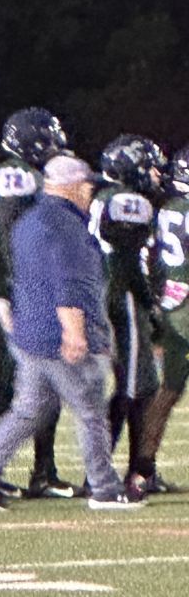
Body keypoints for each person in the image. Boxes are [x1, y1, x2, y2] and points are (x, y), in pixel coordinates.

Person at [0, 153, 145, 512]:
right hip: (59, 335)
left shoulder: (28, 221)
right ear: (72, 186)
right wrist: (74, 330)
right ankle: (105, 489)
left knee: (28, 410)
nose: (91, 191)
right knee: (91, 412)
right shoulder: (66, 225)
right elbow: (67, 281)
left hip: (29, 335)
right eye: (87, 185)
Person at [0, 108, 76, 498]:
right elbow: (13, 234)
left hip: (20, 285)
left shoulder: (13, 174)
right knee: (13, 379)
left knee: (40, 379)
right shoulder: (15, 175)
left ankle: (40, 469)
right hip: (19, 287)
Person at [93, 135, 164, 486]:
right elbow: (127, 261)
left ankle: (133, 470)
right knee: (134, 389)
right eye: (148, 166)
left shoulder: (103, 197)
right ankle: (129, 473)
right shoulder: (128, 201)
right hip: (121, 295)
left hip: (104, 291)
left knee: (137, 386)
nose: (154, 173)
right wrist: (150, 301)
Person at [133, 143, 189, 494]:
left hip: (173, 307)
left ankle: (143, 468)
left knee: (167, 391)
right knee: (167, 391)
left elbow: (147, 258)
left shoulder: (165, 210)